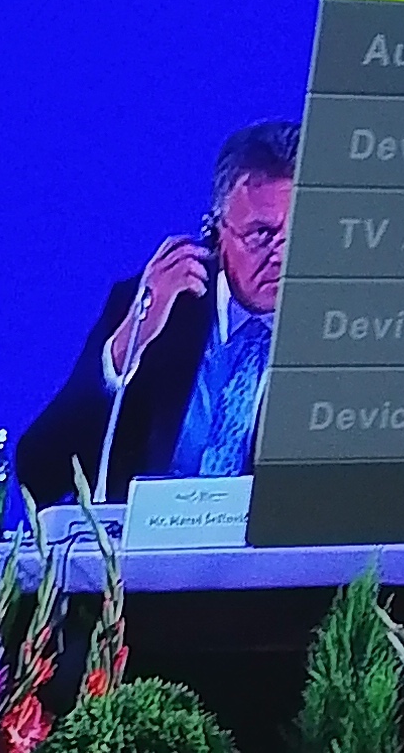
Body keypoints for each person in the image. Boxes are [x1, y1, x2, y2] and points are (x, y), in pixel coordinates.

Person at [18, 119, 297, 507]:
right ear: (216, 232)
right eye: (261, 235)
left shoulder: (339, 324)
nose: (282, 254)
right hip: (148, 544)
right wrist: (131, 341)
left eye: (300, 232)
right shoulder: (158, 306)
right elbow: (40, 475)